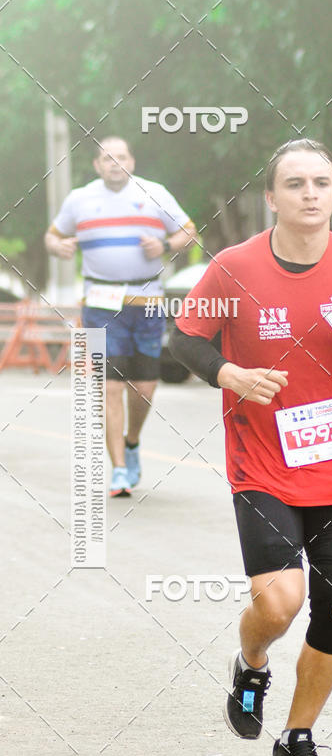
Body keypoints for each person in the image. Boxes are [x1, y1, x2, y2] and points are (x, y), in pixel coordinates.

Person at [170, 139, 332, 756]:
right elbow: (185, 338)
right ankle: (251, 660)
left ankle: (297, 738)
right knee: (279, 602)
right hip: (262, 464)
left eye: (320, 182)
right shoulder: (233, 268)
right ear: (271, 197)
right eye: (294, 183)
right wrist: (229, 372)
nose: (309, 193)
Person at [45, 136, 197, 497]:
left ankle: (131, 443)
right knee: (110, 385)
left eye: (121, 157)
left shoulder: (154, 193)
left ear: (132, 161)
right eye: (106, 159)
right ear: (98, 165)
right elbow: (52, 237)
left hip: (146, 304)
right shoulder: (79, 199)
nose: (115, 163)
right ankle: (117, 469)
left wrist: (165, 245)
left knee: (143, 387)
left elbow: (188, 231)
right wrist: (60, 246)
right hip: (100, 305)